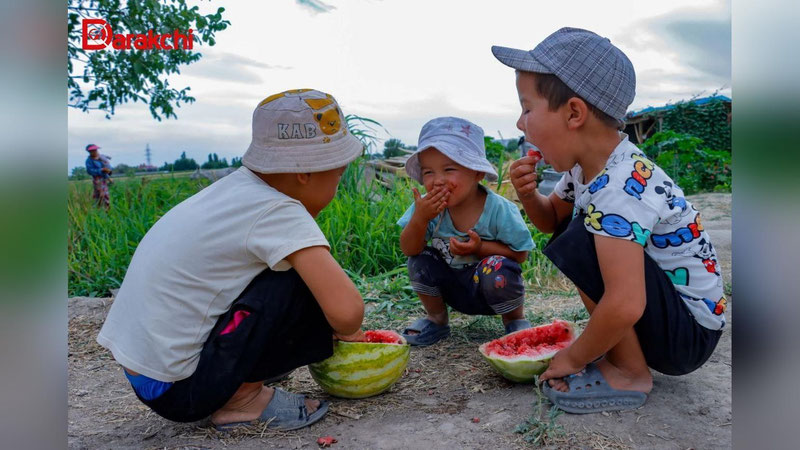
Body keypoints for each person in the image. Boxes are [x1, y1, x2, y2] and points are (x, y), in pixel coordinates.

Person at [96, 89, 367, 430]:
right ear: (305, 173)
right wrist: (350, 331)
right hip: (182, 391)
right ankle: (242, 399)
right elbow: (347, 312)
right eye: (338, 176)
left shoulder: (233, 192)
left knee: (287, 270)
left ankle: (241, 379)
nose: (337, 187)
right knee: (296, 280)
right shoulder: (280, 211)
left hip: (149, 377)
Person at [493, 27, 726, 413]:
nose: (520, 124)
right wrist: (530, 195)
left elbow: (625, 302)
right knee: (574, 234)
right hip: (675, 320)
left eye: (527, 108)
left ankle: (630, 371)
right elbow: (553, 221)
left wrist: (573, 358)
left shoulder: (620, 186)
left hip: (689, 335)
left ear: (573, 113)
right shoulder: (589, 169)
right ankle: (624, 359)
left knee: (580, 240)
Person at [397, 116, 534, 346]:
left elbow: (520, 256)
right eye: (428, 172)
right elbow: (408, 249)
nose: (438, 181)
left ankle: (514, 321)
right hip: (451, 288)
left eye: (449, 169)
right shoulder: (426, 209)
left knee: (499, 267)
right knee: (418, 260)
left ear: (477, 173)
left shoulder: (500, 210)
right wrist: (420, 219)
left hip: (491, 289)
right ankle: (437, 319)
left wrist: (481, 248)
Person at [85, 144, 112, 209]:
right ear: (89, 152)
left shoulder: (102, 157)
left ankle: (106, 210)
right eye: (92, 151)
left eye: (95, 150)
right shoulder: (89, 161)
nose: (95, 152)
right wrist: (101, 170)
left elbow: (108, 167)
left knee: (105, 194)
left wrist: (108, 172)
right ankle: (99, 209)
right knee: (100, 194)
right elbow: (90, 171)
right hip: (97, 180)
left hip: (104, 177)